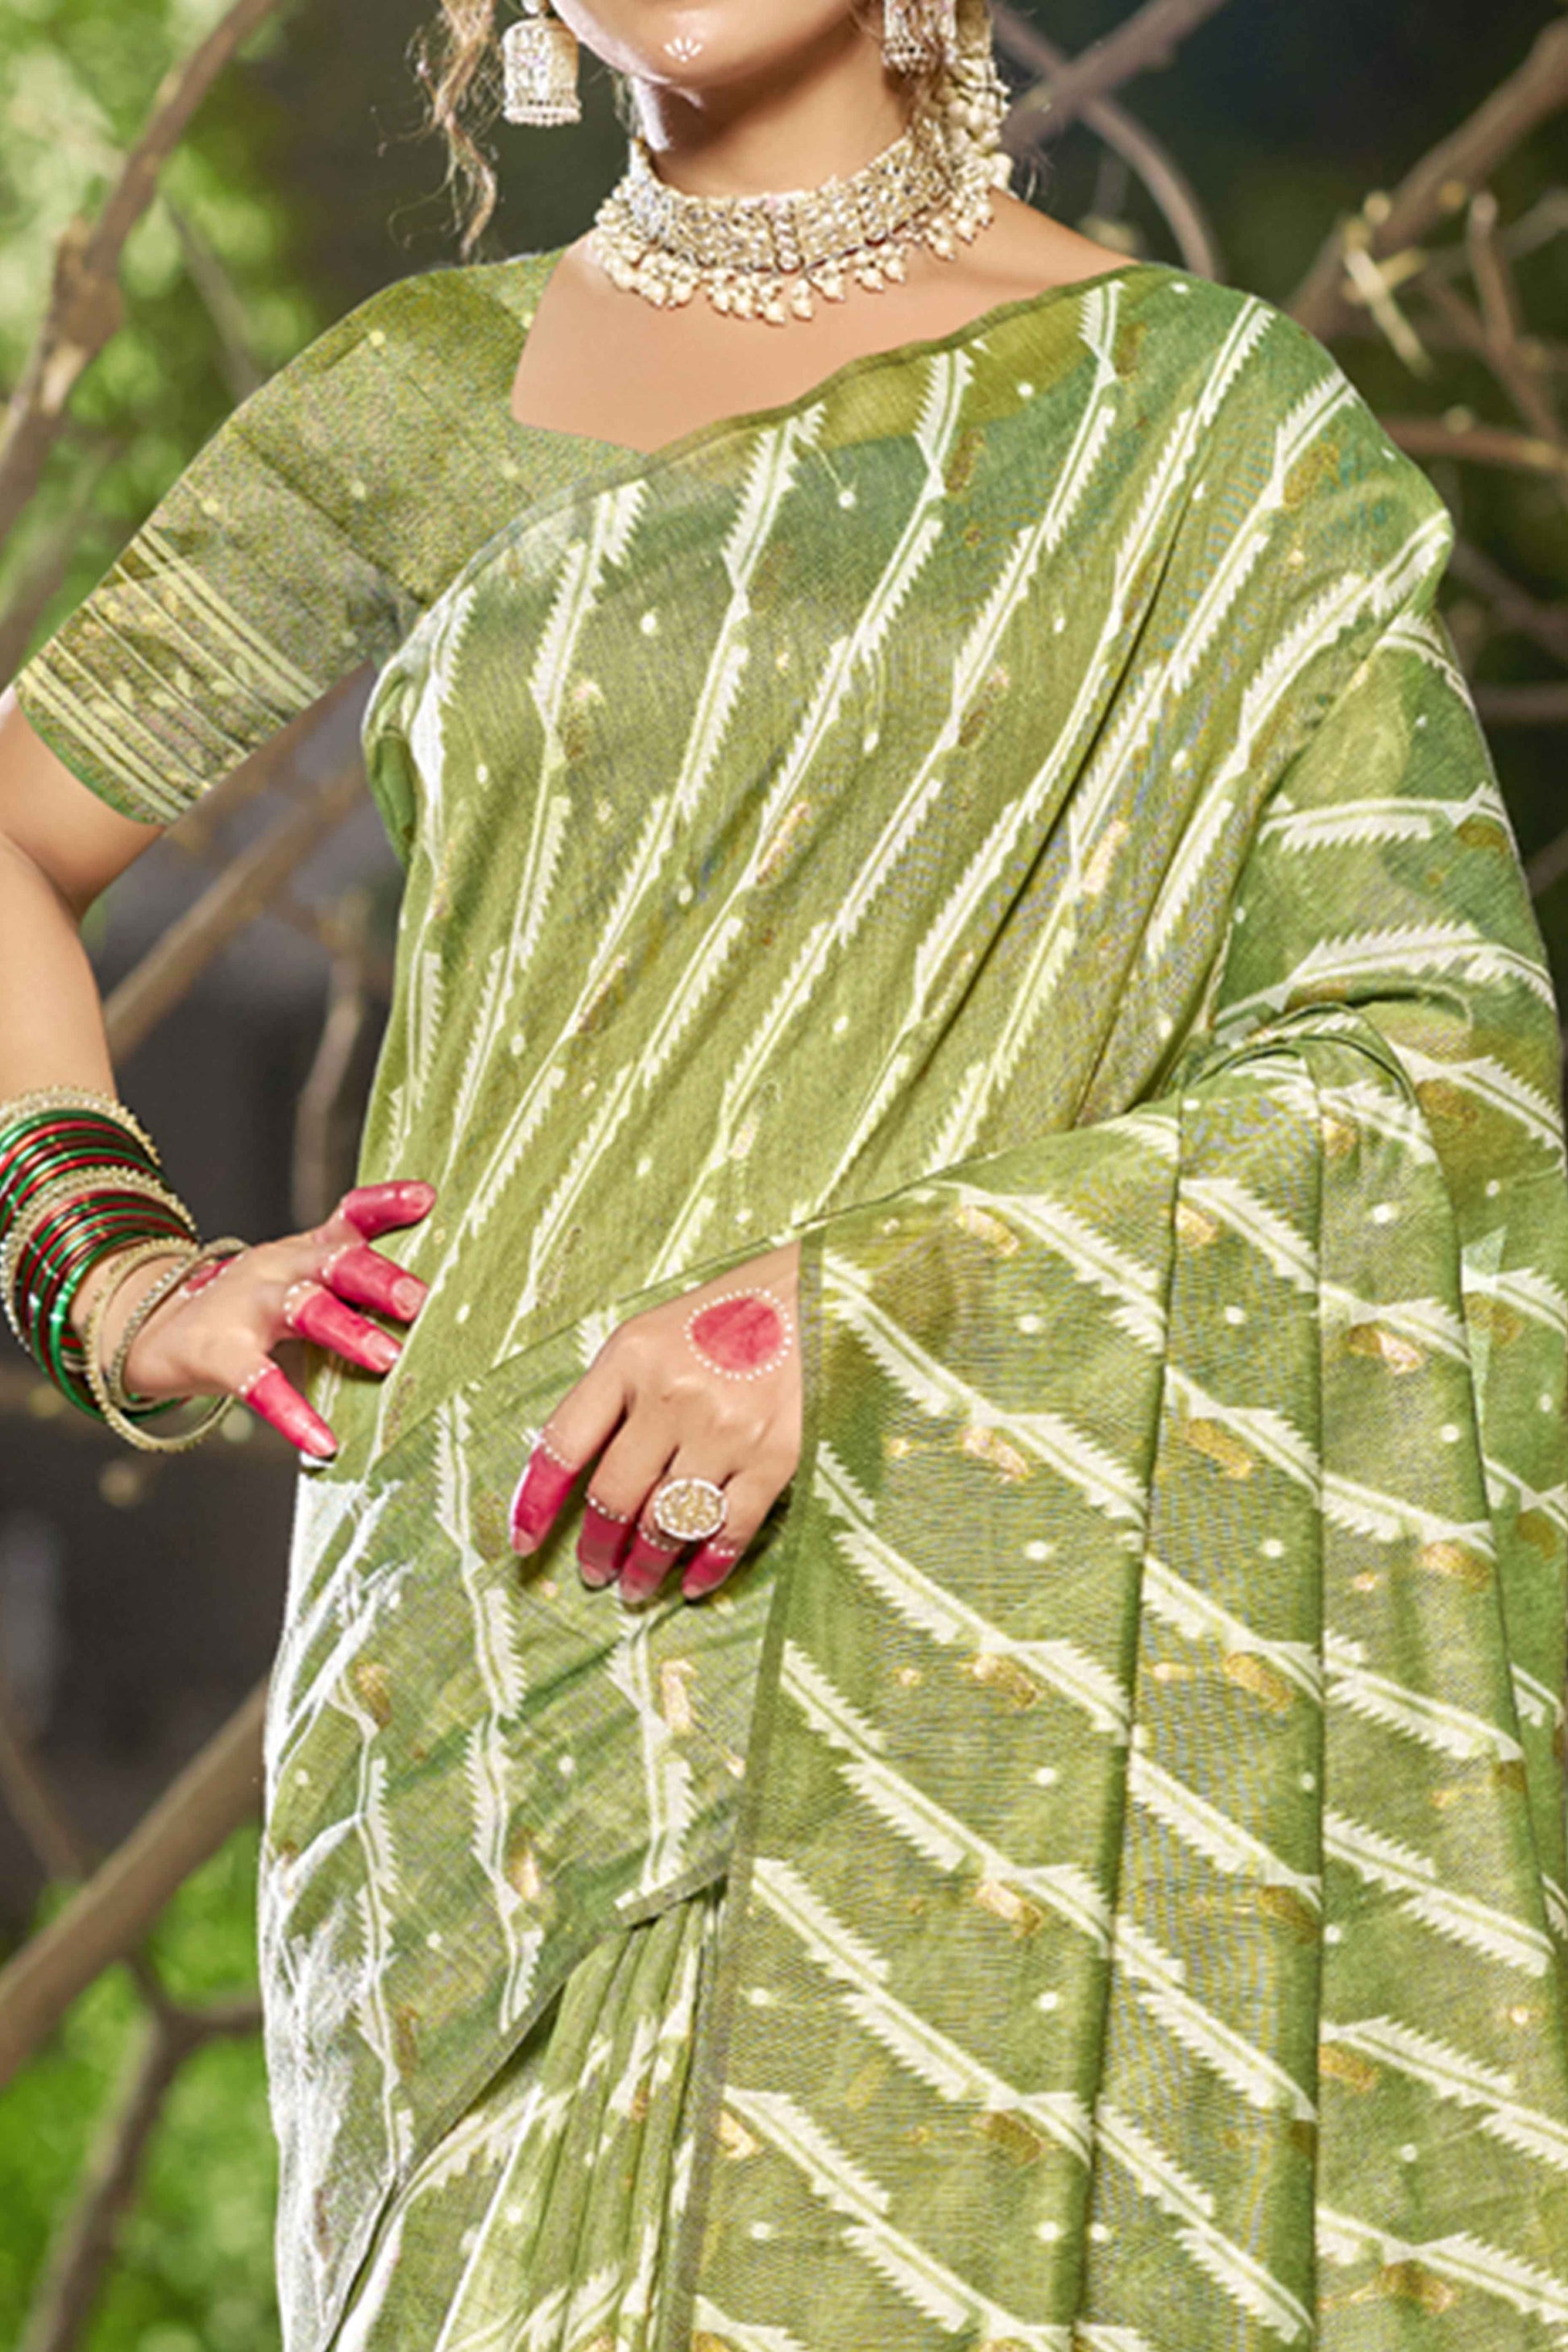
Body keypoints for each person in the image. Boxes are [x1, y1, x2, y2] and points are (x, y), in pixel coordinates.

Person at [2, 0, 1566, 2342]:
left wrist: (872, 1303)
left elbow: (1420, 1052)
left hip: (1007, 1655)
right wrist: (110, 1272)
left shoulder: (1212, 427)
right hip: (481, 1671)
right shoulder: (428, 387)